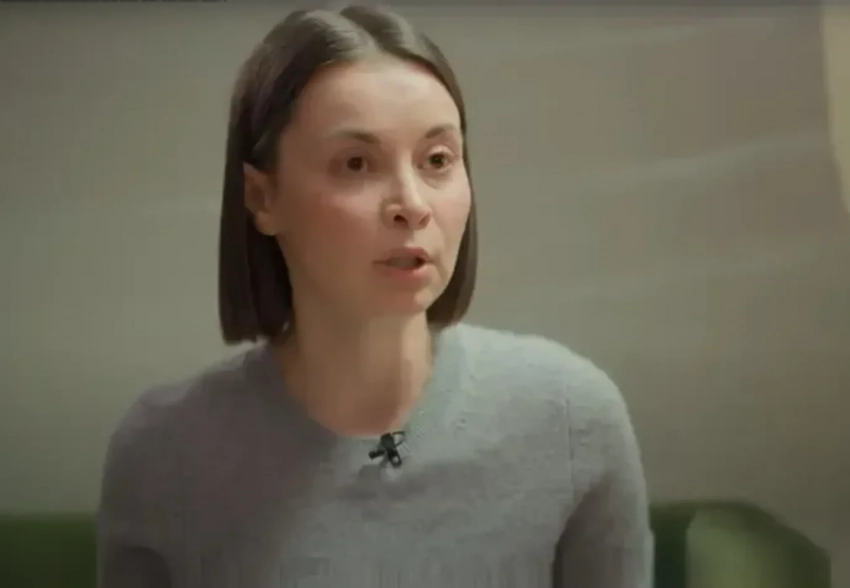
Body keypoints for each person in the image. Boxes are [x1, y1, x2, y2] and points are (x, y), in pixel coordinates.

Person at [97, 5, 652, 587]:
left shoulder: (569, 419)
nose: (411, 204)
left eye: (437, 160)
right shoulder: (166, 453)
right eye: (357, 164)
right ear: (262, 197)